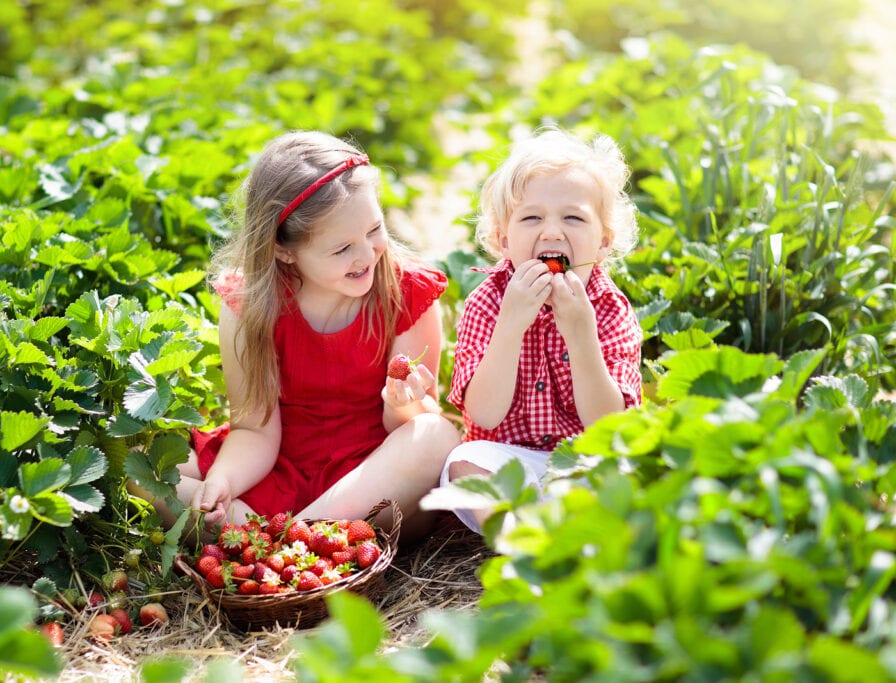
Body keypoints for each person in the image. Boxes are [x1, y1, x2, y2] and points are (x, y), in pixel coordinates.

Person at [138, 130, 461, 542]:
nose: (366, 255)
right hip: (281, 463)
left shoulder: (407, 292)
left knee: (435, 435)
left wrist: (403, 402)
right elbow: (255, 430)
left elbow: (406, 427)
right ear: (284, 250)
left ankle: (277, 542)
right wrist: (223, 479)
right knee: (144, 470)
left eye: (374, 229)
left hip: (370, 477)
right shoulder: (251, 305)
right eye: (342, 248)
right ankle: (301, 541)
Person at [438, 126, 643, 533]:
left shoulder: (608, 307)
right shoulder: (488, 302)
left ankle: (572, 528)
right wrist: (511, 325)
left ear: (603, 243)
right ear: (502, 240)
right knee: (463, 463)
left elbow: (609, 425)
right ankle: (522, 537)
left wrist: (581, 335)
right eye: (531, 217)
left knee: (625, 472)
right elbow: (483, 413)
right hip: (508, 460)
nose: (551, 232)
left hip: (584, 461)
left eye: (572, 217)